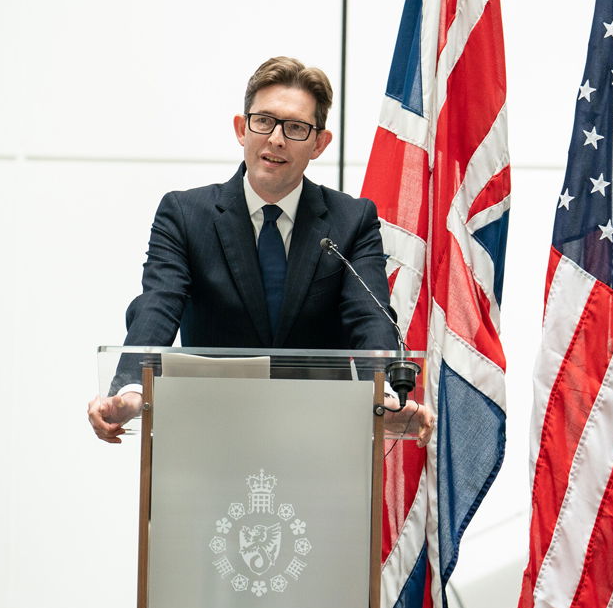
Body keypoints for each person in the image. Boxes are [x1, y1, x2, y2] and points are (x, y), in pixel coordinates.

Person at [87, 56, 433, 444]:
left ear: (320, 143)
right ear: (241, 128)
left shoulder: (351, 221)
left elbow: (370, 318)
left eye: (296, 127)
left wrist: (385, 394)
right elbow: (158, 305)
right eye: (264, 121)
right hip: (210, 437)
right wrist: (132, 388)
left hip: (319, 440)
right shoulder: (186, 215)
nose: (276, 139)